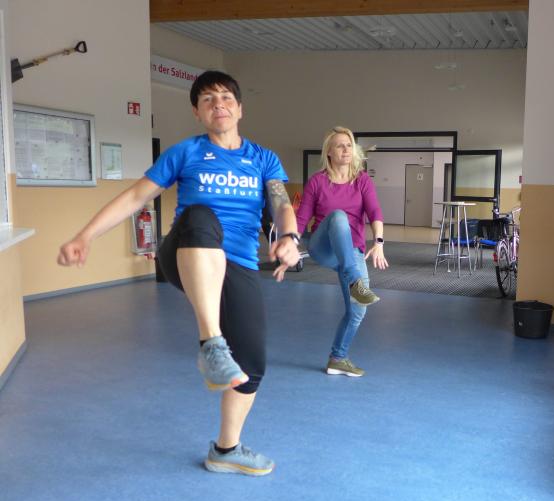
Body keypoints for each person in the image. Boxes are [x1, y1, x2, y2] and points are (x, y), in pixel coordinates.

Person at [57, 71, 300, 476]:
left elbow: (280, 203)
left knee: (252, 365)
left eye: (226, 98)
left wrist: (289, 236)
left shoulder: (263, 159)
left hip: (237, 263)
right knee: (200, 215)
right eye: (208, 100)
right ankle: (211, 345)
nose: (218, 104)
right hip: (185, 251)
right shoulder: (185, 152)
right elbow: (135, 197)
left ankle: (226, 449)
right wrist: (86, 236)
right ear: (197, 113)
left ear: (240, 109)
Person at [295, 126, 388, 378]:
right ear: (329, 152)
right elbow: (302, 218)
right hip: (323, 247)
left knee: (358, 311)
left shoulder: (362, 180)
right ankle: (355, 279)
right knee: (338, 217)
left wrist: (379, 242)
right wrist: (289, 244)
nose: (346, 149)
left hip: (352, 249)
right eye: (340, 145)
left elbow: (375, 212)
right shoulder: (317, 181)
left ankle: (337, 358)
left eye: (349, 145)